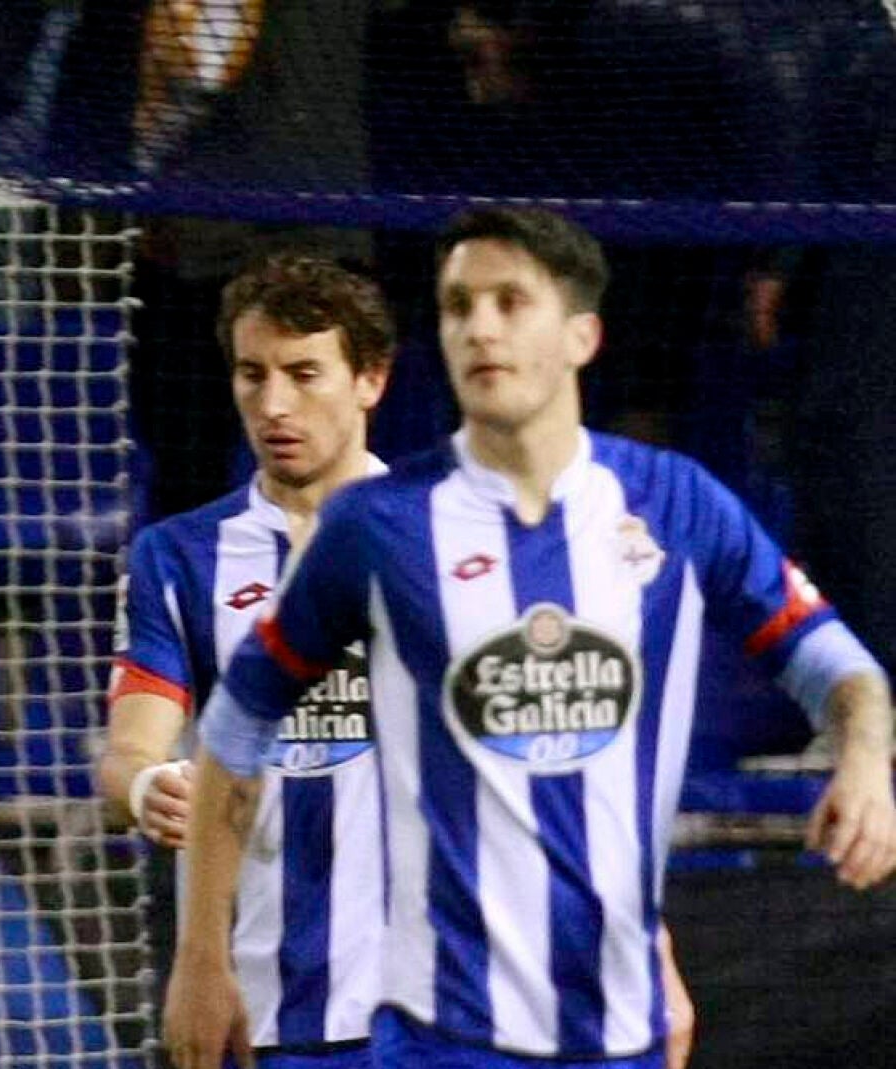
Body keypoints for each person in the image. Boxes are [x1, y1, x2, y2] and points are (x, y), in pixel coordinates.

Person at [167, 207, 895, 1069]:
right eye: (457, 305)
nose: (478, 327)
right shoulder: (376, 525)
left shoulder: (674, 502)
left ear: (582, 335)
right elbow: (236, 726)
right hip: (438, 1036)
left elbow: (835, 665)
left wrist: (862, 759)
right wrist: (201, 956)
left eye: (509, 302)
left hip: (622, 1030)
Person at [102, 253, 392, 1067]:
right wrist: (146, 786)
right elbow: (127, 753)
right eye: (251, 374)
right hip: (260, 1001)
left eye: (303, 374)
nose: (273, 405)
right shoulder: (178, 557)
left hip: (440, 1002)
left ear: (369, 379)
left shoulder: (452, 540)